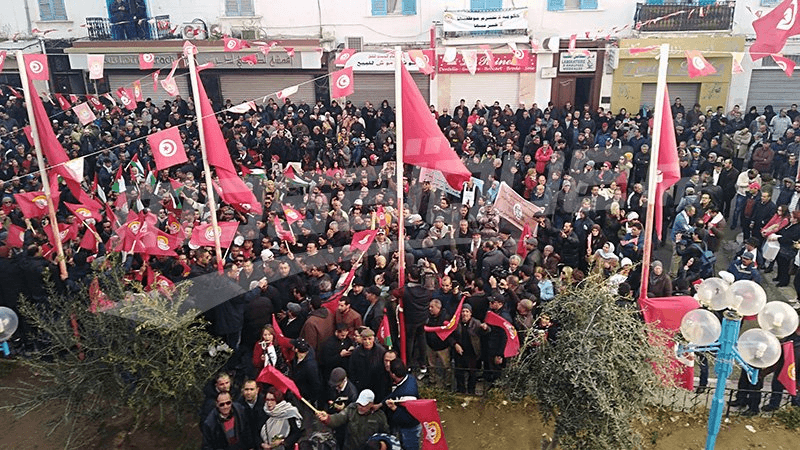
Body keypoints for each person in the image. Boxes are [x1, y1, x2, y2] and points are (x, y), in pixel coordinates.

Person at [316, 389, 390, 450]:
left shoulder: (379, 416)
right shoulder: (351, 409)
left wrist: (383, 444)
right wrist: (327, 418)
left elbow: (386, 435)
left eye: (363, 405)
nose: (360, 407)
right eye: (359, 404)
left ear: (371, 404)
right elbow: (338, 418)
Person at [383, 359, 422, 450]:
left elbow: (409, 417)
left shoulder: (408, 395)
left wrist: (394, 408)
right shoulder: (409, 378)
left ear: (393, 375)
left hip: (410, 429)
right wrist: (381, 404)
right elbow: (395, 393)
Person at [236, 379, 266, 447]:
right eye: (246, 389)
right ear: (243, 390)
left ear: (257, 390)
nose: (249, 392)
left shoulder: (264, 402)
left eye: (251, 389)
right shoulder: (238, 405)